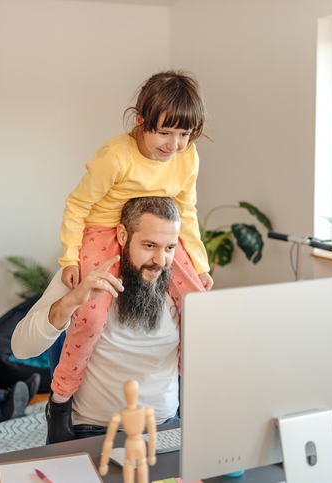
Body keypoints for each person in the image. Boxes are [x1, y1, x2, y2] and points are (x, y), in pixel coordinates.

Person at [53, 70, 214, 406]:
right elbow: (77, 204)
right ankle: (61, 396)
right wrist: (69, 255)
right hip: (104, 229)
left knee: (199, 304)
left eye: (184, 134)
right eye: (165, 132)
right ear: (141, 121)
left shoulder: (187, 156)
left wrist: (199, 265)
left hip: (155, 230)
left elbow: (187, 209)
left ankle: (191, 387)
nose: (174, 145)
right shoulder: (116, 156)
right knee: (93, 314)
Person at [13, 197, 183, 442]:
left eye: (169, 248)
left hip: (166, 428)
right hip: (94, 431)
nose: (160, 261)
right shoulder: (84, 272)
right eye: (149, 245)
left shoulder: (179, 284)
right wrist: (73, 300)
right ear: (123, 236)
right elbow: (20, 348)